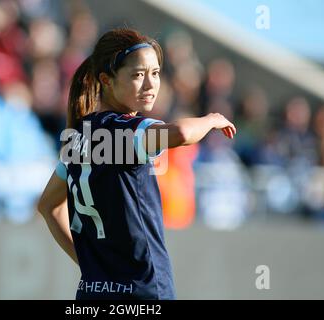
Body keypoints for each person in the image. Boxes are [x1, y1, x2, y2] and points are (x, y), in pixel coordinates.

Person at [37, 28, 236, 300]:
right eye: (138, 75)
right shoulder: (127, 131)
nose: (151, 84)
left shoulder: (78, 136)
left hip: (92, 295)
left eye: (155, 73)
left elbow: (48, 206)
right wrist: (212, 119)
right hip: (142, 292)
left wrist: (91, 268)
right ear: (106, 80)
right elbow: (182, 134)